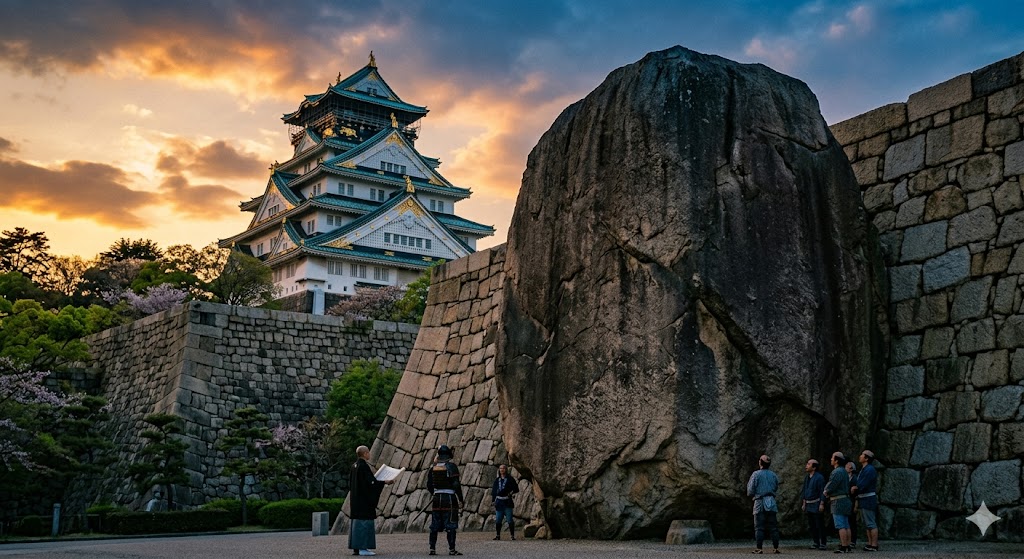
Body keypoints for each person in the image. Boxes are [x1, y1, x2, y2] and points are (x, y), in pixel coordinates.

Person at [349, 445, 394, 557]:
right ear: (365, 454)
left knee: (356, 525)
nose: (369, 454)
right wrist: (384, 482)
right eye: (368, 452)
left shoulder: (354, 466)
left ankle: (357, 548)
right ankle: (363, 548)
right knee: (364, 524)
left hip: (355, 500)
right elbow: (370, 484)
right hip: (364, 501)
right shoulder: (363, 466)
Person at [427, 444, 465, 556]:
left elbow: (429, 485)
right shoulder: (451, 466)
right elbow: (456, 484)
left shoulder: (432, 468)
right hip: (449, 499)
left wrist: (435, 493)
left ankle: (432, 549)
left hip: (436, 499)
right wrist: (461, 499)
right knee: (451, 525)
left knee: (434, 525)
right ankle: (452, 549)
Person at [746, 454, 780, 554]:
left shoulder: (756, 474)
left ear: (760, 462)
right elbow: (776, 487)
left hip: (759, 501)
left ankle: (759, 548)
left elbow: (750, 489)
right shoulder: (773, 475)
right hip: (771, 502)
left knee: (759, 526)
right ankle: (776, 547)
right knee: (773, 527)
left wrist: (753, 494)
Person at [824, 452, 852, 553]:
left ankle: (843, 546)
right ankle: (848, 545)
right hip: (845, 499)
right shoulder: (844, 471)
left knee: (840, 524)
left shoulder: (837, 472)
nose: (831, 459)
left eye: (832, 458)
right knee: (846, 524)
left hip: (838, 500)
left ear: (836, 460)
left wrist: (826, 491)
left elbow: (832, 484)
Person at [857, 450, 880, 551]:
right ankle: (870, 543)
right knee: (867, 523)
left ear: (866, 458)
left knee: (870, 522)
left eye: (862, 455)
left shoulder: (869, 470)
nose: (860, 456)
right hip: (864, 498)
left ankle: (874, 544)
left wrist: (856, 488)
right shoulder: (865, 469)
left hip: (868, 498)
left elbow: (863, 484)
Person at [801, 459, 826, 549]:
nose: (806, 465)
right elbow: (804, 490)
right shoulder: (807, 477)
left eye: (809, 464)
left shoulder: (819, 477)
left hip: (816, 502)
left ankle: (823, 542)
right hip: (808, 503)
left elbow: (822, 491)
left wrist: (822, 503)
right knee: (812, 524)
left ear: (814, 467)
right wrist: (804, 503)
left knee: (819, 524)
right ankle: (816, 542)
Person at [491, 464, 519, 540]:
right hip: (499, 502)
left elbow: (516, 488)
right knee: (498, 519)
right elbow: (494, 491)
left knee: (509, 520)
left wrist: (511, 493)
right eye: (500, 468)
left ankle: (512, 535)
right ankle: (498, 535)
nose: (502, 470)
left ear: (506, 469)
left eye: (503, 468)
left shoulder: (510, 479)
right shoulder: (497, 480)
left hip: (507, 501)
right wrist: (493, 500)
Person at [845, 461, 859, 548]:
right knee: (846, 521)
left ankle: (852, 540)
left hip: (852, 501)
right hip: (846, 501)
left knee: (852, 521)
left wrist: (856, 505)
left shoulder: (854, 479)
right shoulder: (845, 478)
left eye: (847, 466)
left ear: (851, 469)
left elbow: (857, 494)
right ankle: (846, 539)